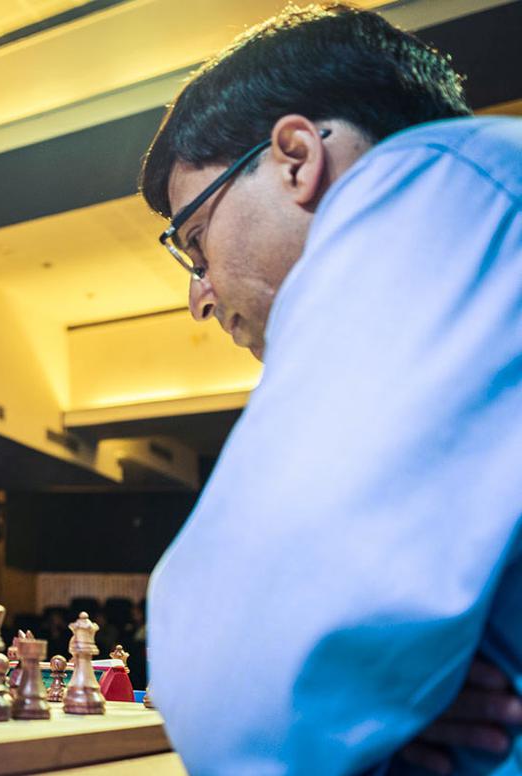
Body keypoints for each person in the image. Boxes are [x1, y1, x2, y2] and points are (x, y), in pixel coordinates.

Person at [138, 5, 522, 774]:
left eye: (195, 242)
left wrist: (355, 706)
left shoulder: (440, 185)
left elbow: (231, 692)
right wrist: (399, 694)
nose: (201, 295)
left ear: (294, 157)